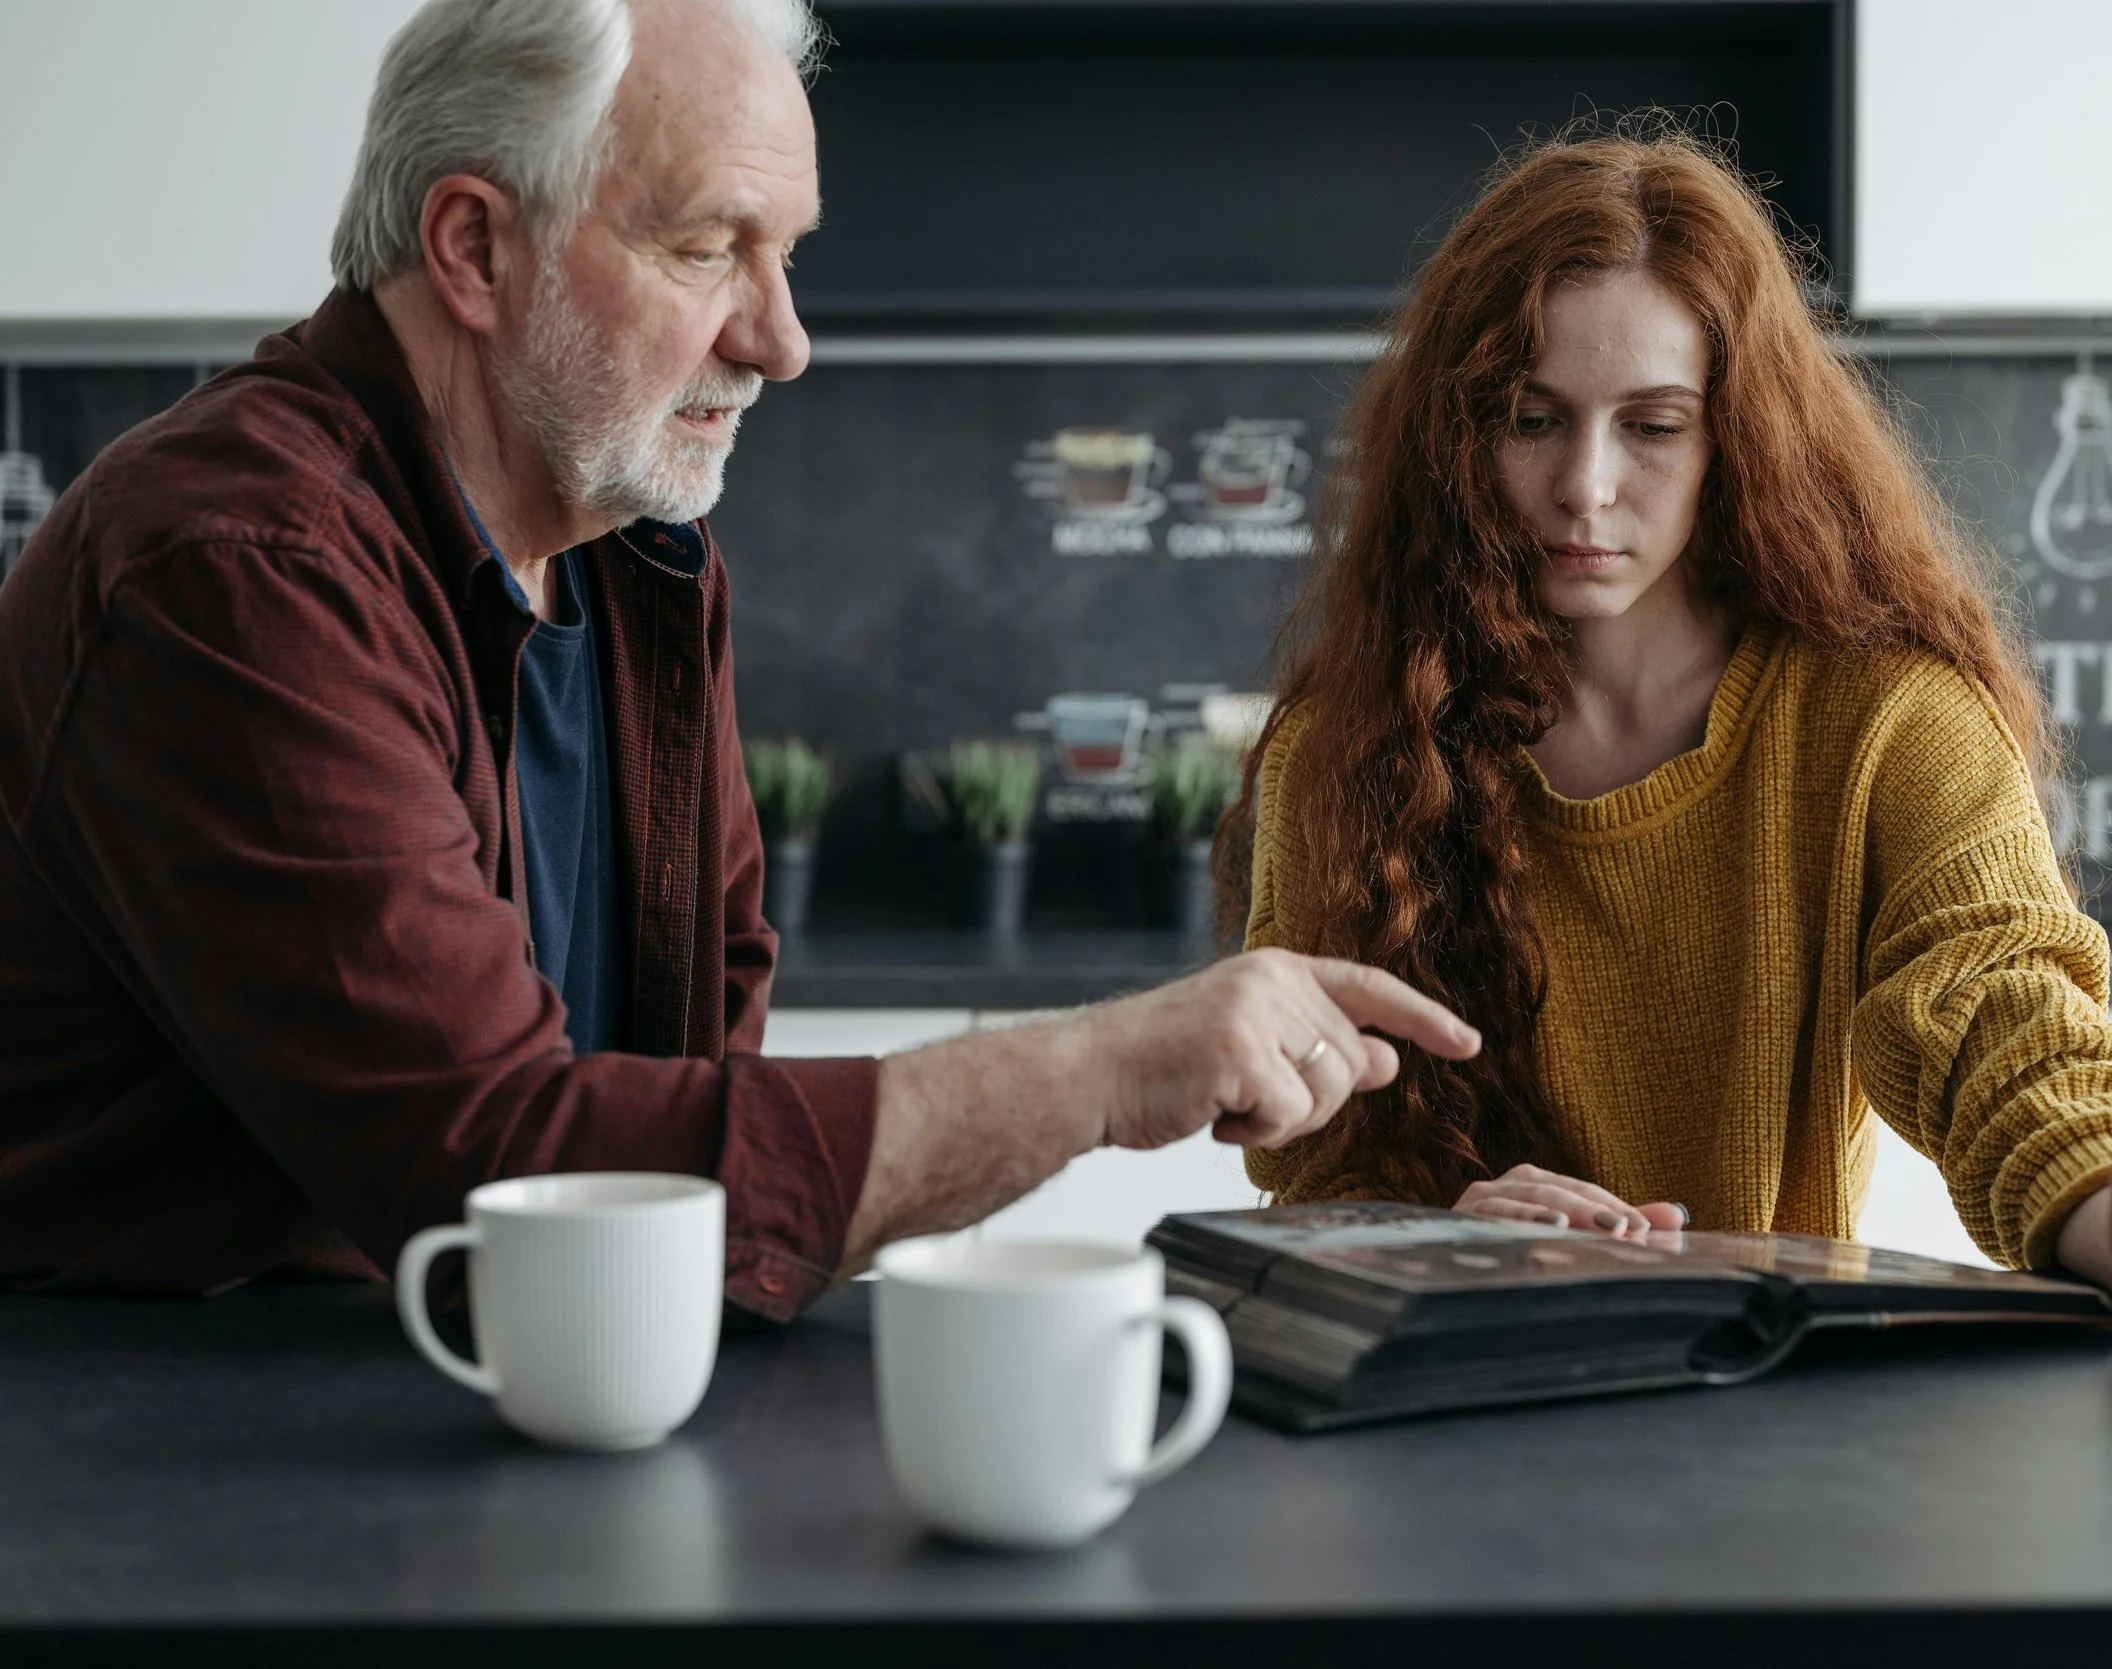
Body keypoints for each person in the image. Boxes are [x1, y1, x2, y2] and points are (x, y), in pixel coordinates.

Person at [0, 0, 1480, 1320]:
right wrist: (1099, 1072)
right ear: (473, 248)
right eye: (708, 248)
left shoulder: (638, 553)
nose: (782, 340)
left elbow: (706, 1089)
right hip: (160, 1456)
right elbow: (508, 1181)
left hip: (487, 1398)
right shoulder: (239, 568)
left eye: (787, 256)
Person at [1226, 125, 2112, 1328]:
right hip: (1431, 1408)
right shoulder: (1346, 743)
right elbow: (1319, 1172)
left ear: (1733, 438)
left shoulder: (1888, 724)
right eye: (1531, 419)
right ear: (1456, 434)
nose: (1585, 486)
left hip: (1765, 1407)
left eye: (1651, 426)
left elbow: (2006, 1033)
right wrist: (1439, 1240)